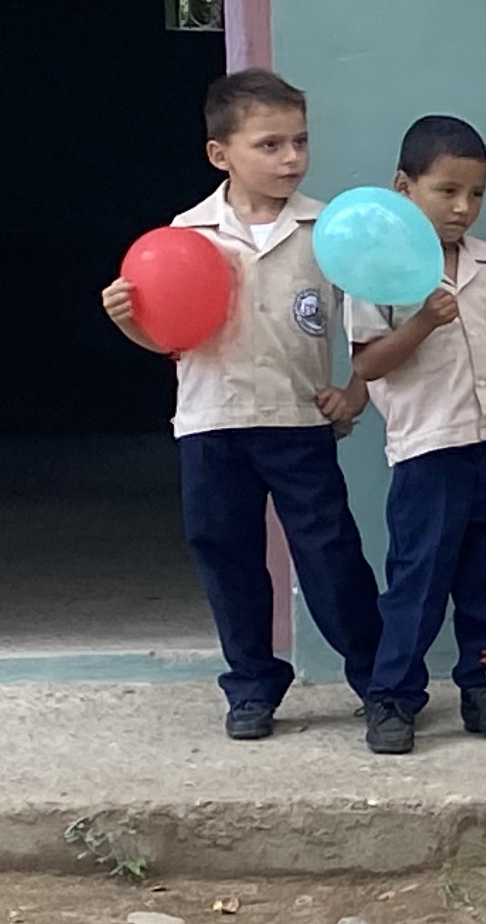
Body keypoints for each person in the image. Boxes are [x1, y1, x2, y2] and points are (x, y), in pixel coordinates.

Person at [100, 67, 382, 741]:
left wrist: (354, 393)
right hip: (212, 424)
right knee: (226, 556)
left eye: (300, 142)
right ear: (219, 154)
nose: (290, 158)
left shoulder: (327, 230)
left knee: (332, 556)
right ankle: (252, 685)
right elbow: (172, 341)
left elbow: (369, 332)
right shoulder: (184, 235)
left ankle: (378, 679)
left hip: (297, 423)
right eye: (269, 145)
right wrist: (125, 321)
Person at [344, 116, 486, 754]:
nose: (463, 208)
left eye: (476, 194)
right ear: (404, 187)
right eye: (447, 191)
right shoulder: (379, 271)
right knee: (418, 581)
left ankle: (484, 689)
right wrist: (425, 320)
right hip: (429, 452)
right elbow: (367, 364)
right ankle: (393, 696)